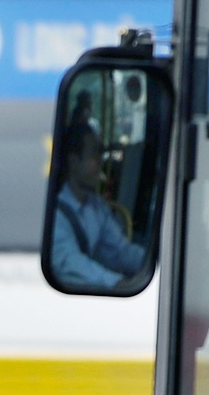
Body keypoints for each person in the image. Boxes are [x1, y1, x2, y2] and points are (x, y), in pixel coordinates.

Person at [51, 124, 147, 289]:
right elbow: (70, 262)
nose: (101, 161)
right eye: (94, 154)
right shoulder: (55, 215)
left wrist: (153, 262)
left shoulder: (96, 206)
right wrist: (117, 283)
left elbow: (120, 251)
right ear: (74, 162)